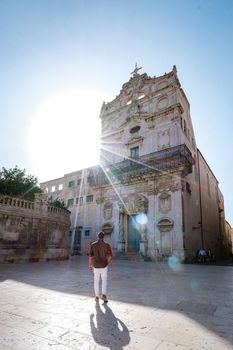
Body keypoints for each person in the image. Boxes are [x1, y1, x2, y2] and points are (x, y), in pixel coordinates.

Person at [89, 231, 112, 303]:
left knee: (96, 281)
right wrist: (107, 262)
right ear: (103, 237)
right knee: (104, 280)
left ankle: (96, 296)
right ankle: (104, 295)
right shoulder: (107, 245)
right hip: (104, 265)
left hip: (95, 265)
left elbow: (90, 256)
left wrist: (90, 264)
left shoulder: (93, 245)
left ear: (98, 236)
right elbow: (110, 256)